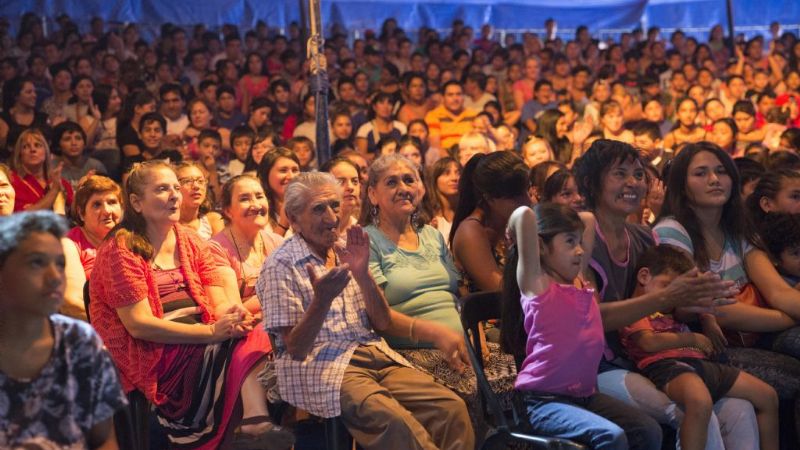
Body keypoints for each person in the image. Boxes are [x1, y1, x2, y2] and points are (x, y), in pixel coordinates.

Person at [256, 172, 474, 449]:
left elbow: (381, 321)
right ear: (294, 217)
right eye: (319, 209)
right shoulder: (281, 264)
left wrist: (363, 274)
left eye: (335, 206)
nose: (331, 217)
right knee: (396, 423)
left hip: (373, 352)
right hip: (322, 364)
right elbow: (295, 349)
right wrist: (321, 301)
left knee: (450, 409)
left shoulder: (345, 249)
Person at [90, 160, 293, 450]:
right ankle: (253, 425)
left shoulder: (190, 239)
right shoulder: (121, 249)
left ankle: (253, 424)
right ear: (136, 202)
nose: (175, 195)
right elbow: (139, 326)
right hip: (158, 354)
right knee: (236, 353)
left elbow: (218, 299)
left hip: (205, 337)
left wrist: (231, 315)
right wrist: (211, 333)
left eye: (176, 187)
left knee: (255, 332)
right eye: (162, 189)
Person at [573, 139, 760, 450]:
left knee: (740, 410)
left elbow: (673, 310)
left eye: (638, 174)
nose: (632, 183)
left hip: (646, 359)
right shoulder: (582, 235)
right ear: (592, 183)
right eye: (620, 174)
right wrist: (666, 298)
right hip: (600, 366)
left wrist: (699, 302)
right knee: (693, 410)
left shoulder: (645, 237)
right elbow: (592, 318)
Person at [502, 203, 660, 449]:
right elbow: (523, 214)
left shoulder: (578, 279)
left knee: (648, 430)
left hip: (585, 397)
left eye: (579, 242)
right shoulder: (537, 284)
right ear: (541, 248)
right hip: (545, 402)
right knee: (611, 436)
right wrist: (515, 232)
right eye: (569, 242)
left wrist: (571, 233)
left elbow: (587, 218)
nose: (579, 250)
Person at [621, 245, 779, 450]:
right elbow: (648, 342)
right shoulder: (635, 308)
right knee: (699, 401)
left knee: (767, 397)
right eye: (668, 287)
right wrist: (692, 339)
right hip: (668, 365)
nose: (674, 298)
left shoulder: (671, 311)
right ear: (644, 276)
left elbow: (700, 305)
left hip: (699, 364)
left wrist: (707, 319)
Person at [0, 210, 127, 449]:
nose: (55, 277)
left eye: (60, 264)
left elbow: (103, 440)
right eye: (36, 262)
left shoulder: (79, 341)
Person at [450, 151, 530, 293]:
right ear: (489, 198)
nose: (527, 201)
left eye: (526, 191)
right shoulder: (471, 231)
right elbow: (501, 291)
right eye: (515, 197)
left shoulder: (513, 219)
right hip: (493, 312)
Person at [211, 175, 283, 315]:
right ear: (228, 211)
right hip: (245, 331)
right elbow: (234, 312)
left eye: (259, 196)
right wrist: (279, 292)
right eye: (244, 199)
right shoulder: (216, 249)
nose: (256, 205)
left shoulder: (277, 242)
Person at [66, 175, 123, 278]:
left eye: (112, 202)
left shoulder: (130, 238)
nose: (107, 211)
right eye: (97, 205)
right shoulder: (70, 244)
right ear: (81, 214)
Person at [10, 128, 74, 213]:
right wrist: (54, 190)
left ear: (46, 152)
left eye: (37, 145)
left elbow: (76, 213)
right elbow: (25, 216)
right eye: (26, 146)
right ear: (19, 154)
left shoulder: (59, 182)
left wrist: (86, 188)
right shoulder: (12, 182)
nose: (33, 150)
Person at [256, 147, 300, 236]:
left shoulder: (308, 206)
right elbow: (266, 250)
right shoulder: (257, 210)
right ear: (266, 175)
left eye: (295, 170)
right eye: (283, 170)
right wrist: (283, 225)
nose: (291, 176)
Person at [175, 161, 224, 239]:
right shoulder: (166, 225)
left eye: (200, 181)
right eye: (187, 181)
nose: (196, 186)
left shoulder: (213, 221)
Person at [52, 120, 107, 189]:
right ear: (58, 145)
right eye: (67, 139)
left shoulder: (96, 166)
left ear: (84, 143)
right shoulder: (52, 168)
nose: (74, 143)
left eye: (78, 138)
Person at [321, 157, 362, 237]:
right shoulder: (313, 231)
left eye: (355, 181)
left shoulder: (363, 230)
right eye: (340, 182)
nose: (350, 187)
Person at [425, 156, 460, 239]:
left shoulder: (468, 213)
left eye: (458, 173)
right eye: (447, 173)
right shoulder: (428, 217)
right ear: (435, 180)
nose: (454, 178)